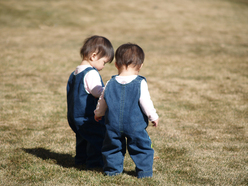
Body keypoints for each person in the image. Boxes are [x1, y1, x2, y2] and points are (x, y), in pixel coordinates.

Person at [94, 43, 159, 178]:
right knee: (141, 147)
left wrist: (98, 113)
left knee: (112, 147)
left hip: (113, 124)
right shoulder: (140, 82)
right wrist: (153, 116)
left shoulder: (110, 82)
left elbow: (103, 100)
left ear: (116, 64)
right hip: (135, 125)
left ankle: (112, 171)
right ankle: (144, 172)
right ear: (140, 66)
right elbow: (145, 102)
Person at [66, 35, 114, 169]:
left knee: (83, 138)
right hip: (88, 116)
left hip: (74, 116)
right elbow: (97, 91)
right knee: (97, 138)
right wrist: (108, 90)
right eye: (104, 62)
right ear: (93, 56)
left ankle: (81, 160)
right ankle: (94, 164)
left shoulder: (75, 72)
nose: (103, 66)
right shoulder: (91, 73)